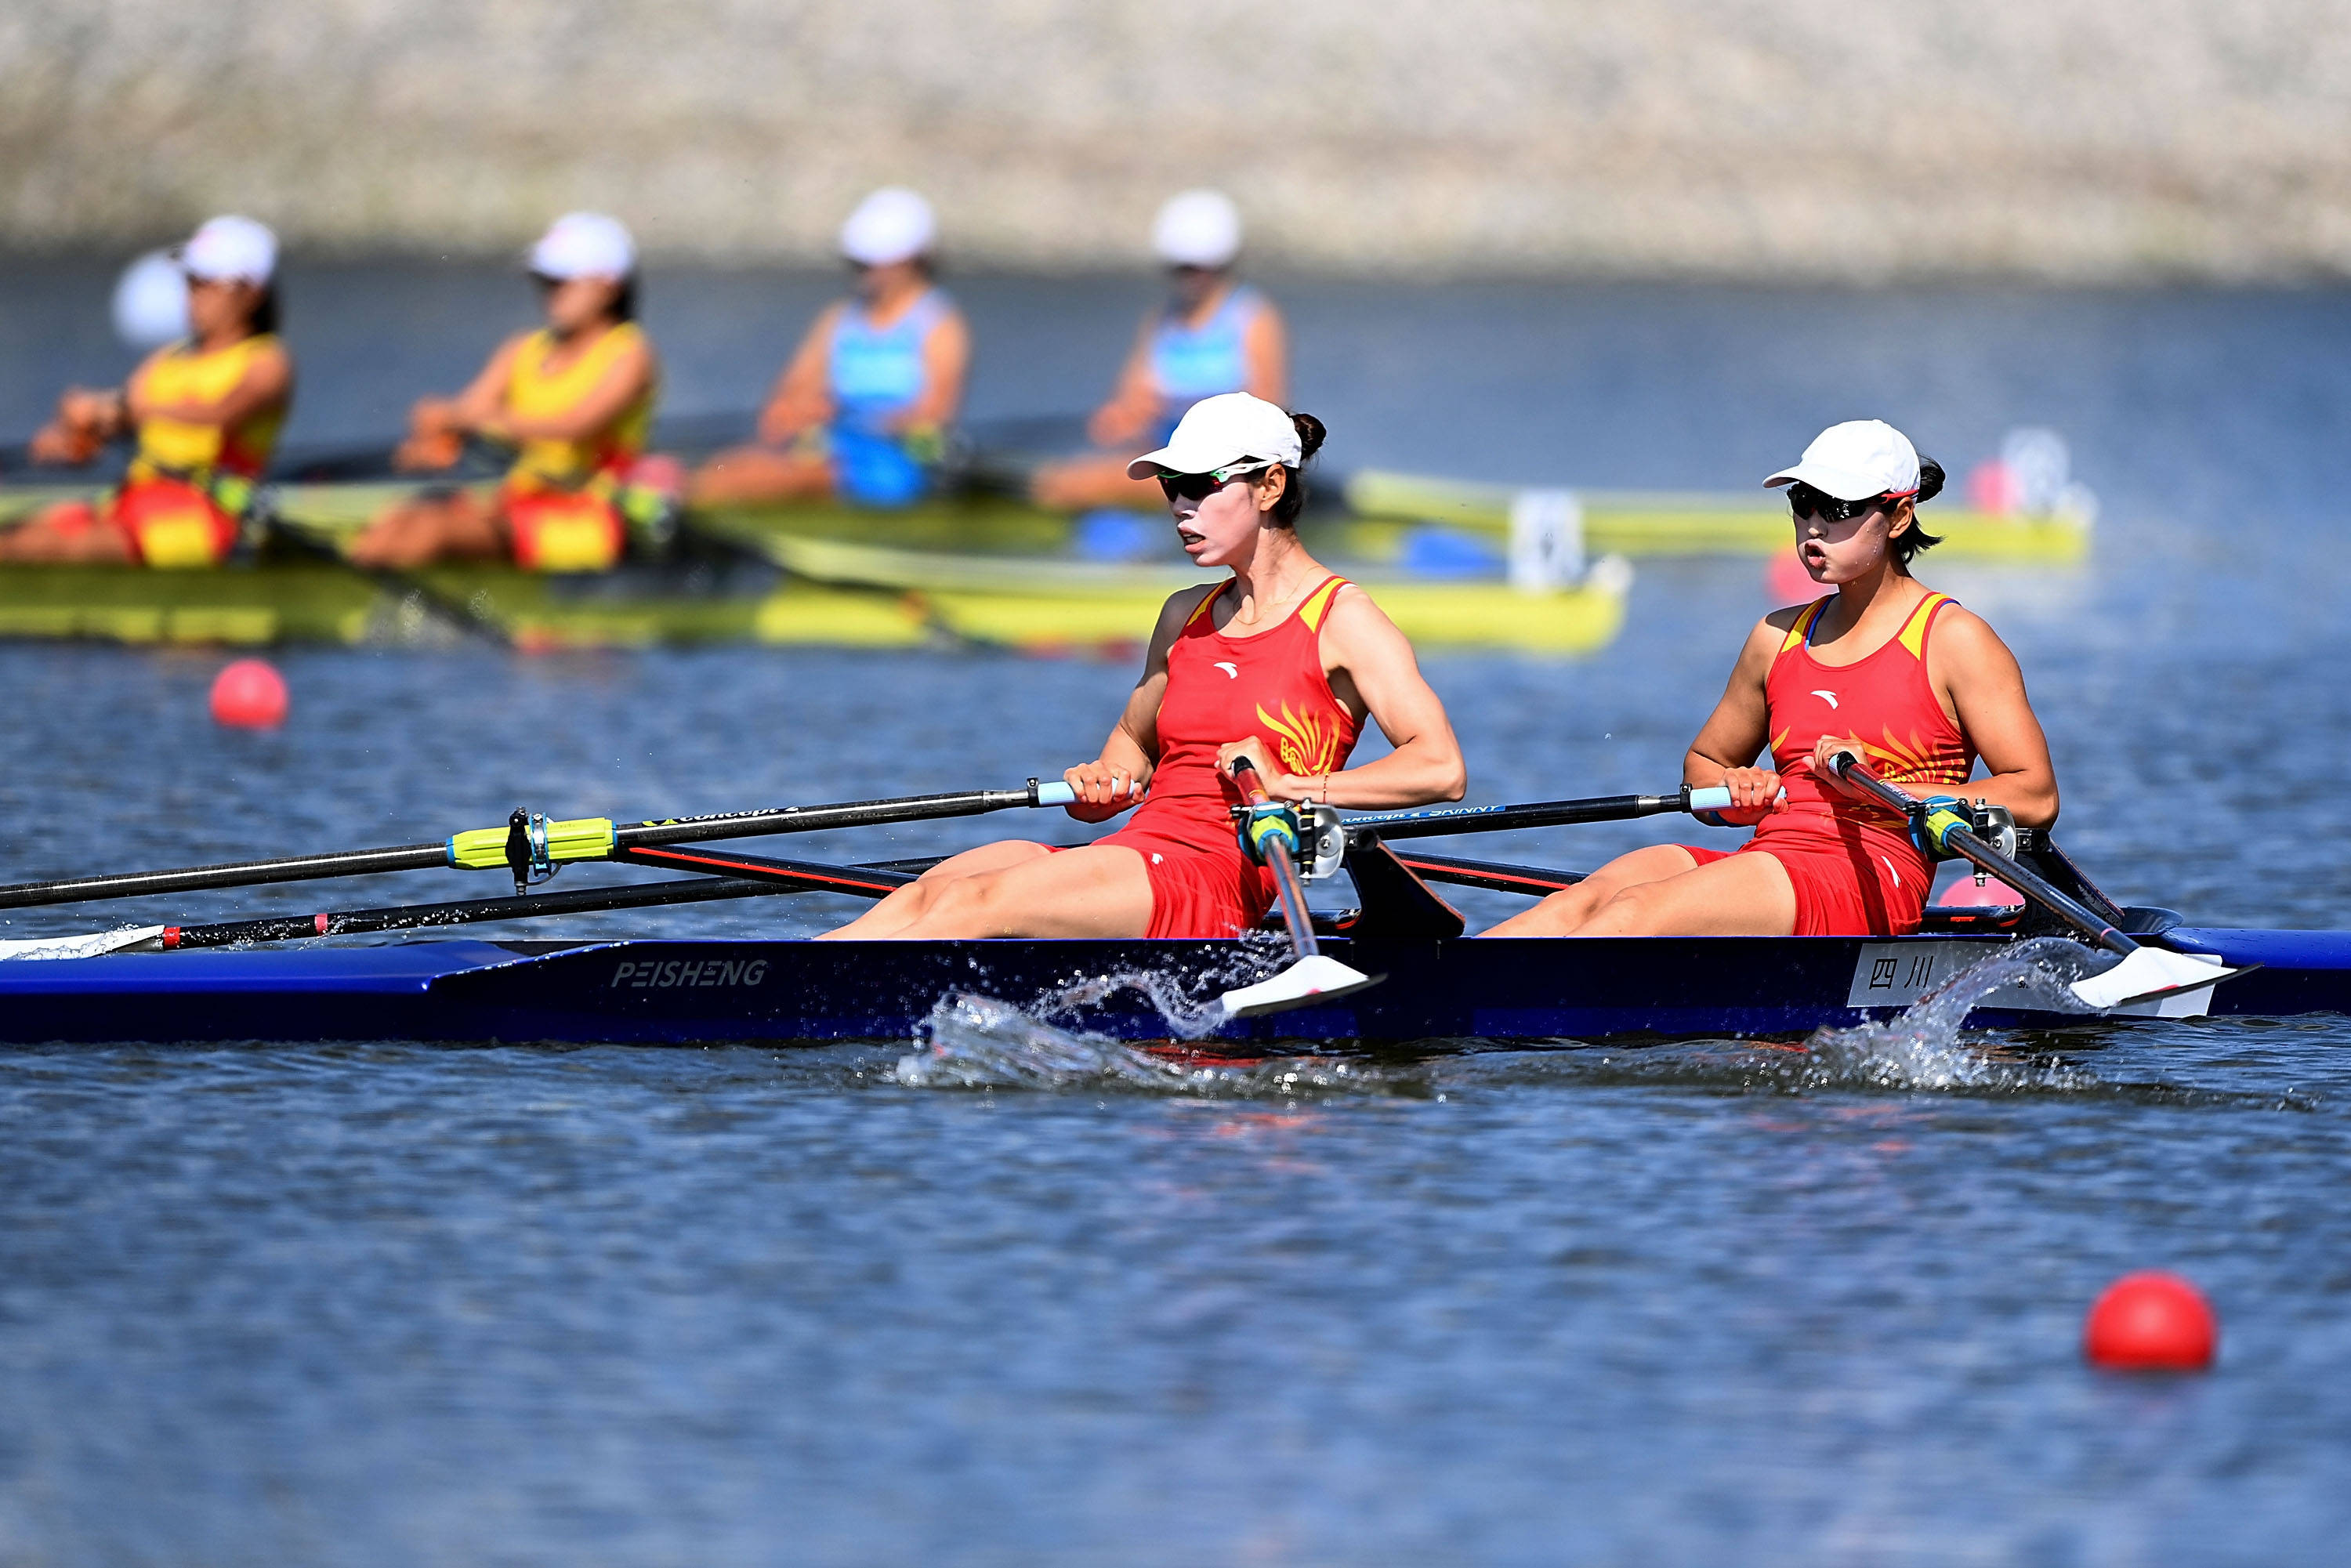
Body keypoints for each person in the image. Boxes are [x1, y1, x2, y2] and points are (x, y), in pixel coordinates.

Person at [824, 393, 1465, 942]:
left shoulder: (1344, 619)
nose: (1180, 507)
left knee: (972, 905)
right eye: (1170, 488)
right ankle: (757, 984)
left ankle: (791, 1007)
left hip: (1212, 883)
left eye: (1200, 486)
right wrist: (1103, 783)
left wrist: (1296, 787)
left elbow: (1441, 768)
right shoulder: (1183, 614)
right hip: (1135, 853)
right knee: (929, 893)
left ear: (1270, 485)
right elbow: (1133, 744)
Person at [1485, 418, 2059, 940]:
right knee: (1584, 901)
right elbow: (1702, 767)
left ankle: (1494, 1019)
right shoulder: (1776, 637)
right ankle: (1436, 999)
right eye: (1802, 502)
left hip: (1872, 876)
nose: (1812, 526)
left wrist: (1879, 784)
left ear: (1900, 515)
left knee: (1633, 916)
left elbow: (2034, 795)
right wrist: (1736, 794)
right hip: (1773, 858)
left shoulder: (1954, 640)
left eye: (1836, 509)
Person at [348, 212, 666, 570]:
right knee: (400, 519)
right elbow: (467, 412)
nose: (551, 294)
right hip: (518, 504)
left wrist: (474, 419)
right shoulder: (522, 349)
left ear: (609, 286)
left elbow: (574, 425)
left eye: (563, 281)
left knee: (433, 530)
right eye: (544, 281)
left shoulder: (630, 354)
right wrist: (435, 434)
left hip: (588, 520)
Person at [2, 216, 292, 566]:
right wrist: (78, 433)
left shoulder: (266, 362)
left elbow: (221, 413)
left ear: (252, 293)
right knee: (14, 537)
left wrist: (127, 408)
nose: (193, 295)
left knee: (44, 547)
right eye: (189, 281)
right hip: (132, 504)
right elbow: (122, 415)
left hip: (206, 519)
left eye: (206, 283)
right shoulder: (168, 358)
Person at [688, 188, 970, 509]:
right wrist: (797, 414)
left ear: (912, 262)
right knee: (728, 466)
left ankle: (688, 501)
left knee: (764, 478)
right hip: (835, 448)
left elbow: (934, 414)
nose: (868, 274)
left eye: (877, 264)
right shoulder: (839, 320)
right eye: (860, 264)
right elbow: (787, 399)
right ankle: (685, 495)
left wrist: (858, 419)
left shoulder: (938, 323)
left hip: (894, 465)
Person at [1031, 190, 1288, 514]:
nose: (1189, 278)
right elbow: (1132, 405)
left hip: (1227, 466)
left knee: (1073, 484)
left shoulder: (1252, 317)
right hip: (1165, 454)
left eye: (1198, 268)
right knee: (1070, 476)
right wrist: (1118, 419)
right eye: (1180, 268)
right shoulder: (1162, 321)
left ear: (1222, 265)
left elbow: (1269, 410)